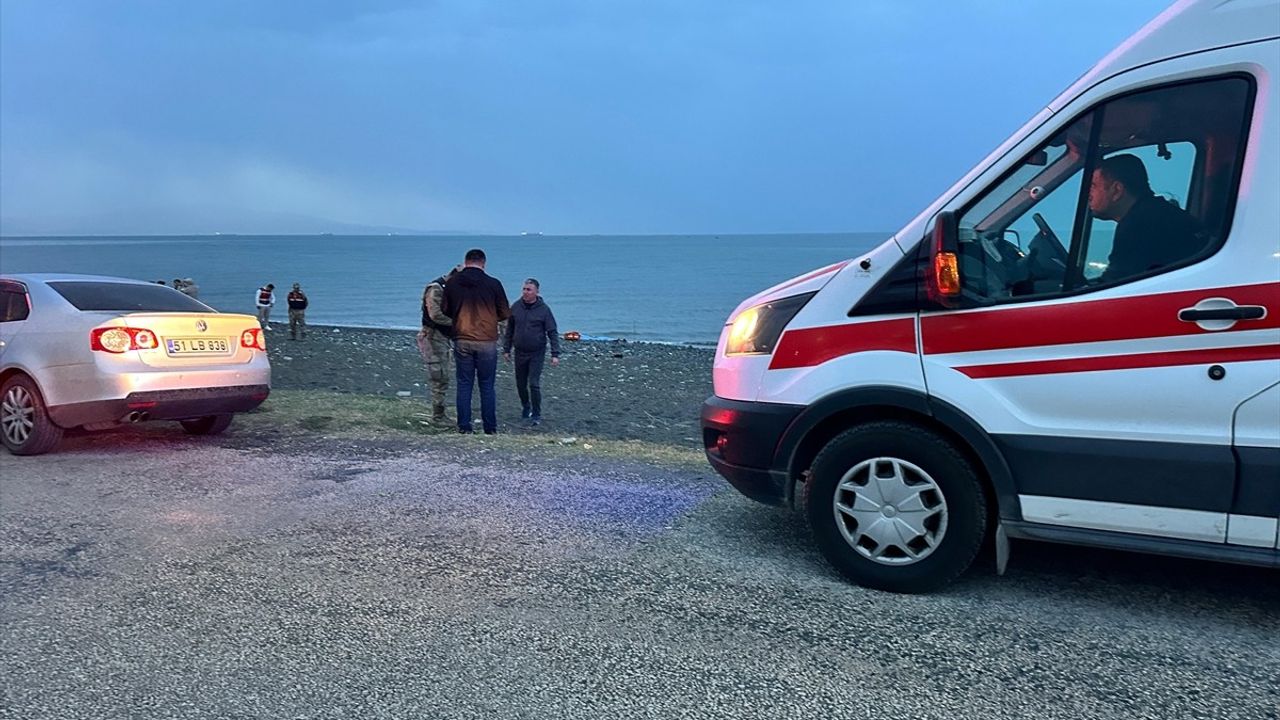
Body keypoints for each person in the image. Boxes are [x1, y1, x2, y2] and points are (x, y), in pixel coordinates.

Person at [1089, 153, 1206, 284]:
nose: (1088, 195)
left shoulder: (1138, 227)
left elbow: (1113, 284)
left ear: (1117, 191)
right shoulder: (1157, 213)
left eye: (1093, 186)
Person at [442, 249, 510, 435]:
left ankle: (464, 426)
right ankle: (490, 427)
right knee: (487, 385)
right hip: (486, 339)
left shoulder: (453, 283)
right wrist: (489, 318)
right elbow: (505, 312)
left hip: (462, 337)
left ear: (465, 262)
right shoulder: (493, 284)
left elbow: (445, 309)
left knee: (464, 384)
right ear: (483, 263)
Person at [502, 278, 561, 426]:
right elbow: (509, 330)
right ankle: (526, 406)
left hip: (537, 352)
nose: (526, 292)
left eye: (529, 290)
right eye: (524, 289)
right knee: (520, 384)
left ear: (536, 292)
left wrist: (555, 354)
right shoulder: (516, 307)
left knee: (533, 383)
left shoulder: (544, 310)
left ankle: (536, 413)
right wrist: (506, 349)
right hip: (519, 351)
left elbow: (552, 332)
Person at [415, 266, 461, 424]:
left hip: (442, 336)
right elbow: (435, 315)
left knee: (443, 375)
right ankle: (438, 415)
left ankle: (440, 413)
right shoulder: (436, 289)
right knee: (439, 376)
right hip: (433, 337)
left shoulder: (449, 290)